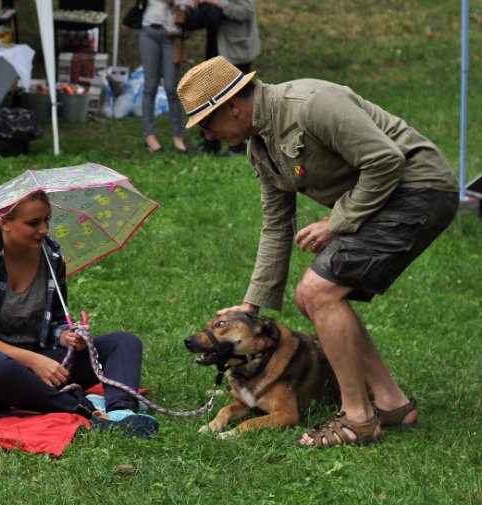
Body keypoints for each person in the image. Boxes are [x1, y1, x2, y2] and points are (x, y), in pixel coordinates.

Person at [177, 56, 460, 447]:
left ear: (233, 105)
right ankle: (392, 404)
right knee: (311, 296)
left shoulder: (312, 104)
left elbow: (386, 160)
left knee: (318, 291)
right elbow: (277, 226)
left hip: (419, 189)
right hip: (386, 199)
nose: (207, 136)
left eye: (206, 124)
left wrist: (336, 222)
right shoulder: (260, 148)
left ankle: (359, 417)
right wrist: (249, 309)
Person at [0, 191, 159, 438]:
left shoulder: (52, 254)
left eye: (47, 220)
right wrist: (34, 361)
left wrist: (67, 336)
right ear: (4, 223)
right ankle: (83, 408)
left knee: (124, 342)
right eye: (33, 223)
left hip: (37, 365)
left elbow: (54, 321)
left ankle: (121, 413)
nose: (44, 229)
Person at [194, 0, 259, 156]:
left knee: (235, 98)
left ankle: (237, 146)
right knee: (210, 96)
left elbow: (245, 11)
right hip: (215, 46)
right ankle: (210, 144)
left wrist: (216, 2)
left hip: (235, 50)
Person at [139, 0, 189, 154]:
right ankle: (149, 136)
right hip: (149, 32)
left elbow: (191, 4)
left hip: (172, 35)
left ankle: (178, 136)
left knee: (172, 88)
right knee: (150, 87)